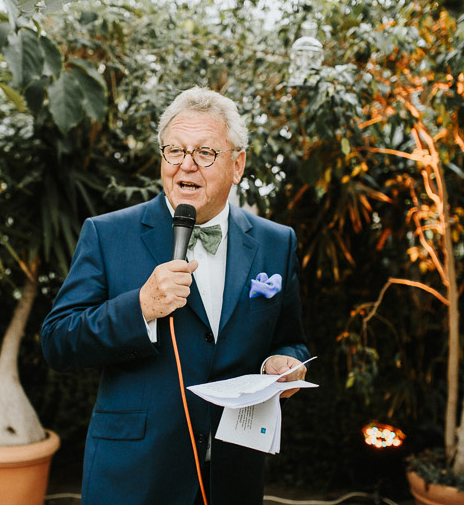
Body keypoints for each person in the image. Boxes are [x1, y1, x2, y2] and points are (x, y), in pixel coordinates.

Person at [41, 87, 311, 505]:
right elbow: (58, 341)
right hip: (133, 476)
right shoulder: (108, 233)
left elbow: (289, 338)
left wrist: (283, 362)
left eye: (205, 153)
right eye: (174, 151)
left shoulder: (278, 243)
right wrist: (141, 307)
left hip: (232, 475)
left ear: (237, 165)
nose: (186, 165)